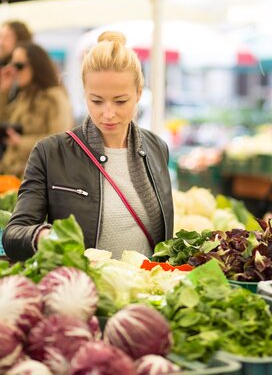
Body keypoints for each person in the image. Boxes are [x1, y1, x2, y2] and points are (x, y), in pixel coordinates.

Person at [3, 31, 174, 262]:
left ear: (139, 93)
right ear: (84, 94)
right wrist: (42, 235)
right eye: (96, 101)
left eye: (120, 101)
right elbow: (14, 235)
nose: (108, 113)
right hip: (83, 291)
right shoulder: (50, 153)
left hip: (147, 291)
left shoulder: (157, 148)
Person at [0, 42, 73, 177]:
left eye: (19, 66)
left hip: (36, 178)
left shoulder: (54, 97)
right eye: (12, 65)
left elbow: (60, 140)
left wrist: (20, 142)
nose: (14, 71)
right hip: (11, 173)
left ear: (36, 66)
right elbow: (3, 119)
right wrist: (4, 90)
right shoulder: (24, 96)